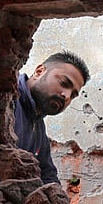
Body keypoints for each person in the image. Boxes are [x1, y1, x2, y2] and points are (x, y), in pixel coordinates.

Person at [14, 50, 89, 187]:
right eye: (64, 83)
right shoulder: (6, 98)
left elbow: (48, 174)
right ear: (39, 71)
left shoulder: (38, 127)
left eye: (73, 95)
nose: (66, 96)